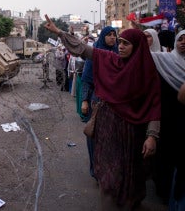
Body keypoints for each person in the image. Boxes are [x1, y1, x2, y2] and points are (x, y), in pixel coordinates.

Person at [44, 14, 161, 210]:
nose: (120, 46)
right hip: (108, 129)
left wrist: (152, 136)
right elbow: (84, 50)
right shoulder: (110, 60)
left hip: (133, 133)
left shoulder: (147, 73)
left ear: (137, 47)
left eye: (126, 43)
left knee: (131, 177)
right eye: (119, 42)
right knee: (109, 175)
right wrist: (60, 33)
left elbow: (154, 105)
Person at [151, 30, 185, 209]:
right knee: (166, 156)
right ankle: (164, 191)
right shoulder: (165, 60)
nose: (183, 43)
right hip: (167, 116)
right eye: (181, 39)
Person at [80, 26, 118, 180]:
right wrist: (84, 100)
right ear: (103, 37)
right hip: (96, 101)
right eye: (108, 35)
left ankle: (109, 170)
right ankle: (95, 171)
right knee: (94, 136)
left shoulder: (118, 53)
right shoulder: (96, 53)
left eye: (114, 35)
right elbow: (87, 79)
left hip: (114, 102)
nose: (112, 38)